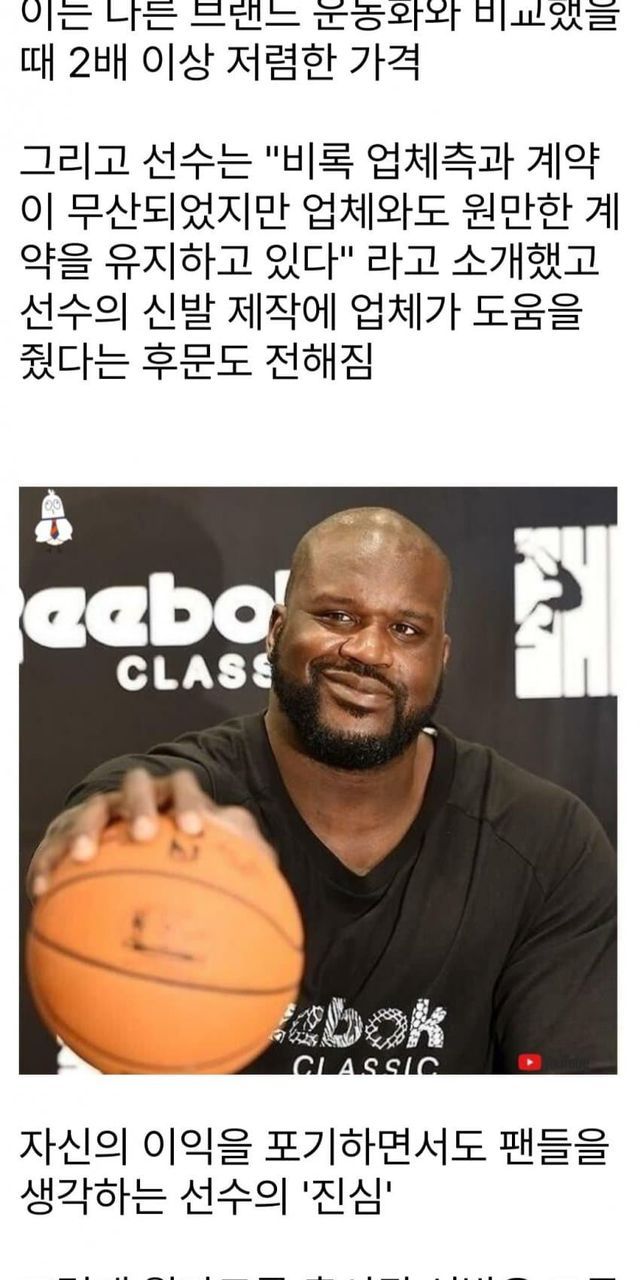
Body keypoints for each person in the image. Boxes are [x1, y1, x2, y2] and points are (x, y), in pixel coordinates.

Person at [28, 507, 616, 1075]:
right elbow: (107, 815)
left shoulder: (546, 842)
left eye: (406, 630)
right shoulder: (181, 804)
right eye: (338, 616)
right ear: (276, 631)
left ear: (441, 658)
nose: (369, 651)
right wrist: (98, 847)